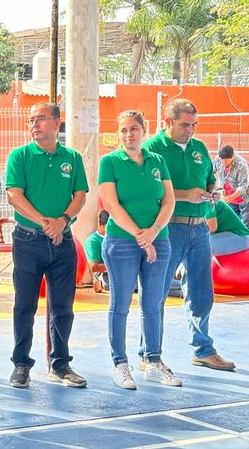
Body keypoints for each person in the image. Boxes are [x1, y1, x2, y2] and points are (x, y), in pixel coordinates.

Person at [143, 99, 235, 371]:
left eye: (194, 124)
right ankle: (149, 354)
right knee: (156, 293)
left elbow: (208, 178)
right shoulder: (152, 149)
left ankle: (203, 349)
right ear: (167, 122)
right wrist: (184, 195)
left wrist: (212, 190)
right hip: (168, 229)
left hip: (199, 229)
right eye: (185, 124)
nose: (190, 130)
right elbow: (148, 190)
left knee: (201, 293)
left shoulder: (199, 148)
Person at [5, 102, 88, 389]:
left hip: (63, 242)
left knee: (63, 306)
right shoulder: (20, 156)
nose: (34, 124)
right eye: (31, 120)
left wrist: (62, 221)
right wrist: (45, 222)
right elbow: (14, 195)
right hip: (28, 241)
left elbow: (79, 195)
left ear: (56, 123)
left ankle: (61, 364)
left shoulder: (72, 158)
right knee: (24, 305)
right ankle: (21, 364)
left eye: (41, 119)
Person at [99, 111, 179, 390]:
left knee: (153, 303)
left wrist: (154, 232)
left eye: (134, 129)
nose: (128, 134)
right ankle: (120, 364)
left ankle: (153, 362)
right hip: (121, 242)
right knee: (120, 304)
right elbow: (111, 205)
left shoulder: (157, 161)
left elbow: (168, 201)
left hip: (160, 239)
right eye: (123, 130)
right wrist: (140, 237)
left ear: (144, 131)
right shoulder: (109, 162)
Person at [213, 145, 249, 226]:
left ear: (233, 156)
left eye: (226, 160)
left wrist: (230, 198)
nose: (223, 162)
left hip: (244, 199)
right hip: (230, 199)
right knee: (233, 223)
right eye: (222, 159)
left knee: (246, 225)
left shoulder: (241, 165)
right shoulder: (218, 159)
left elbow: (243, 186)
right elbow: (210, 172)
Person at [84, 210, 109, 291]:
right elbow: (94, 267)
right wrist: (116, 266)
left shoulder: (118, 237)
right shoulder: (93, 241)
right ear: (101, 224)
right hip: (106, 275)